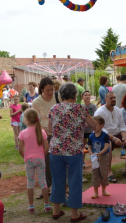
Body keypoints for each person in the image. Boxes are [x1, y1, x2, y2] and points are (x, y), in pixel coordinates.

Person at [48, 83, 96, 221]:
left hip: (56, 150)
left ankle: (56, 211)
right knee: (75, 181)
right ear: (75, 95)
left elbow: (51, 129)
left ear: (62, 95)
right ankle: (75, 214)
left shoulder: (54, 108)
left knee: (57, 180)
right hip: (74, 150)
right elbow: (93, 124)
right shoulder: (80, 109)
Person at [94, 92, 126, 183]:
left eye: (114, 97)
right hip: (103, 135)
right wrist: (114, 139)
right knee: (108, 144)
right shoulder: (100, 111)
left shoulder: (118, 110)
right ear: (105, 100)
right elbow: (101, 130)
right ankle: (108, 172)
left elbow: (122, 125)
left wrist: (124, 137)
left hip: (117, 134)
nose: (113, 99)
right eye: (111, 98)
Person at [32, 77, 61, 199]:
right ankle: (47, 188)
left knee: (59, 161)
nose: (50, 92)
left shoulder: (57, 96)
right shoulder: (36, 102)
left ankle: (61, 187)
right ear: (42, 90)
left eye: (52, 89)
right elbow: (34, 120)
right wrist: (41, 134)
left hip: (59, 133)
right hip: (45, 135)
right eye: (47, 90)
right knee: (47, 162)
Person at [18, 108, 51, 213]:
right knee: (43, 182)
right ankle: (47, 205)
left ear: (26, 119)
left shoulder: (23, 133)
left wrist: (25, 157)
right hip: (40, 159)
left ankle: (31, 206)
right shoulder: (42, 132)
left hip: (29, 161)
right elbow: (46, 148)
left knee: (30, 183)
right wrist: (42, 155)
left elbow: (20, 150)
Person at [87, 116, 110, 199]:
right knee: (95, 173)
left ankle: (104, 190)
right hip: (94, 157)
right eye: (92, 124)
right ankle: (95, 192)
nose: (94, 126)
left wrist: (100, 154)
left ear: (101, 125)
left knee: (103, 172)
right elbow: (89, 146)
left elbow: (106, 147)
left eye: (95, 124)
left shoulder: (105, 136)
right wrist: (91, 153)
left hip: (103, 156)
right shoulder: (91, 136)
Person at [82, 90, 97, 182]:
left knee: (92, 146)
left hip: (91, 130)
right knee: (83, 147)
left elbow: (95, 117)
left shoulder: (93, 106)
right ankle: (82, 162)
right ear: (82, 97)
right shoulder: (81, 107)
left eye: (89, 95)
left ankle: (94, 162)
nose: (87, 97)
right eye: (85, 95)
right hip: (83, 130)